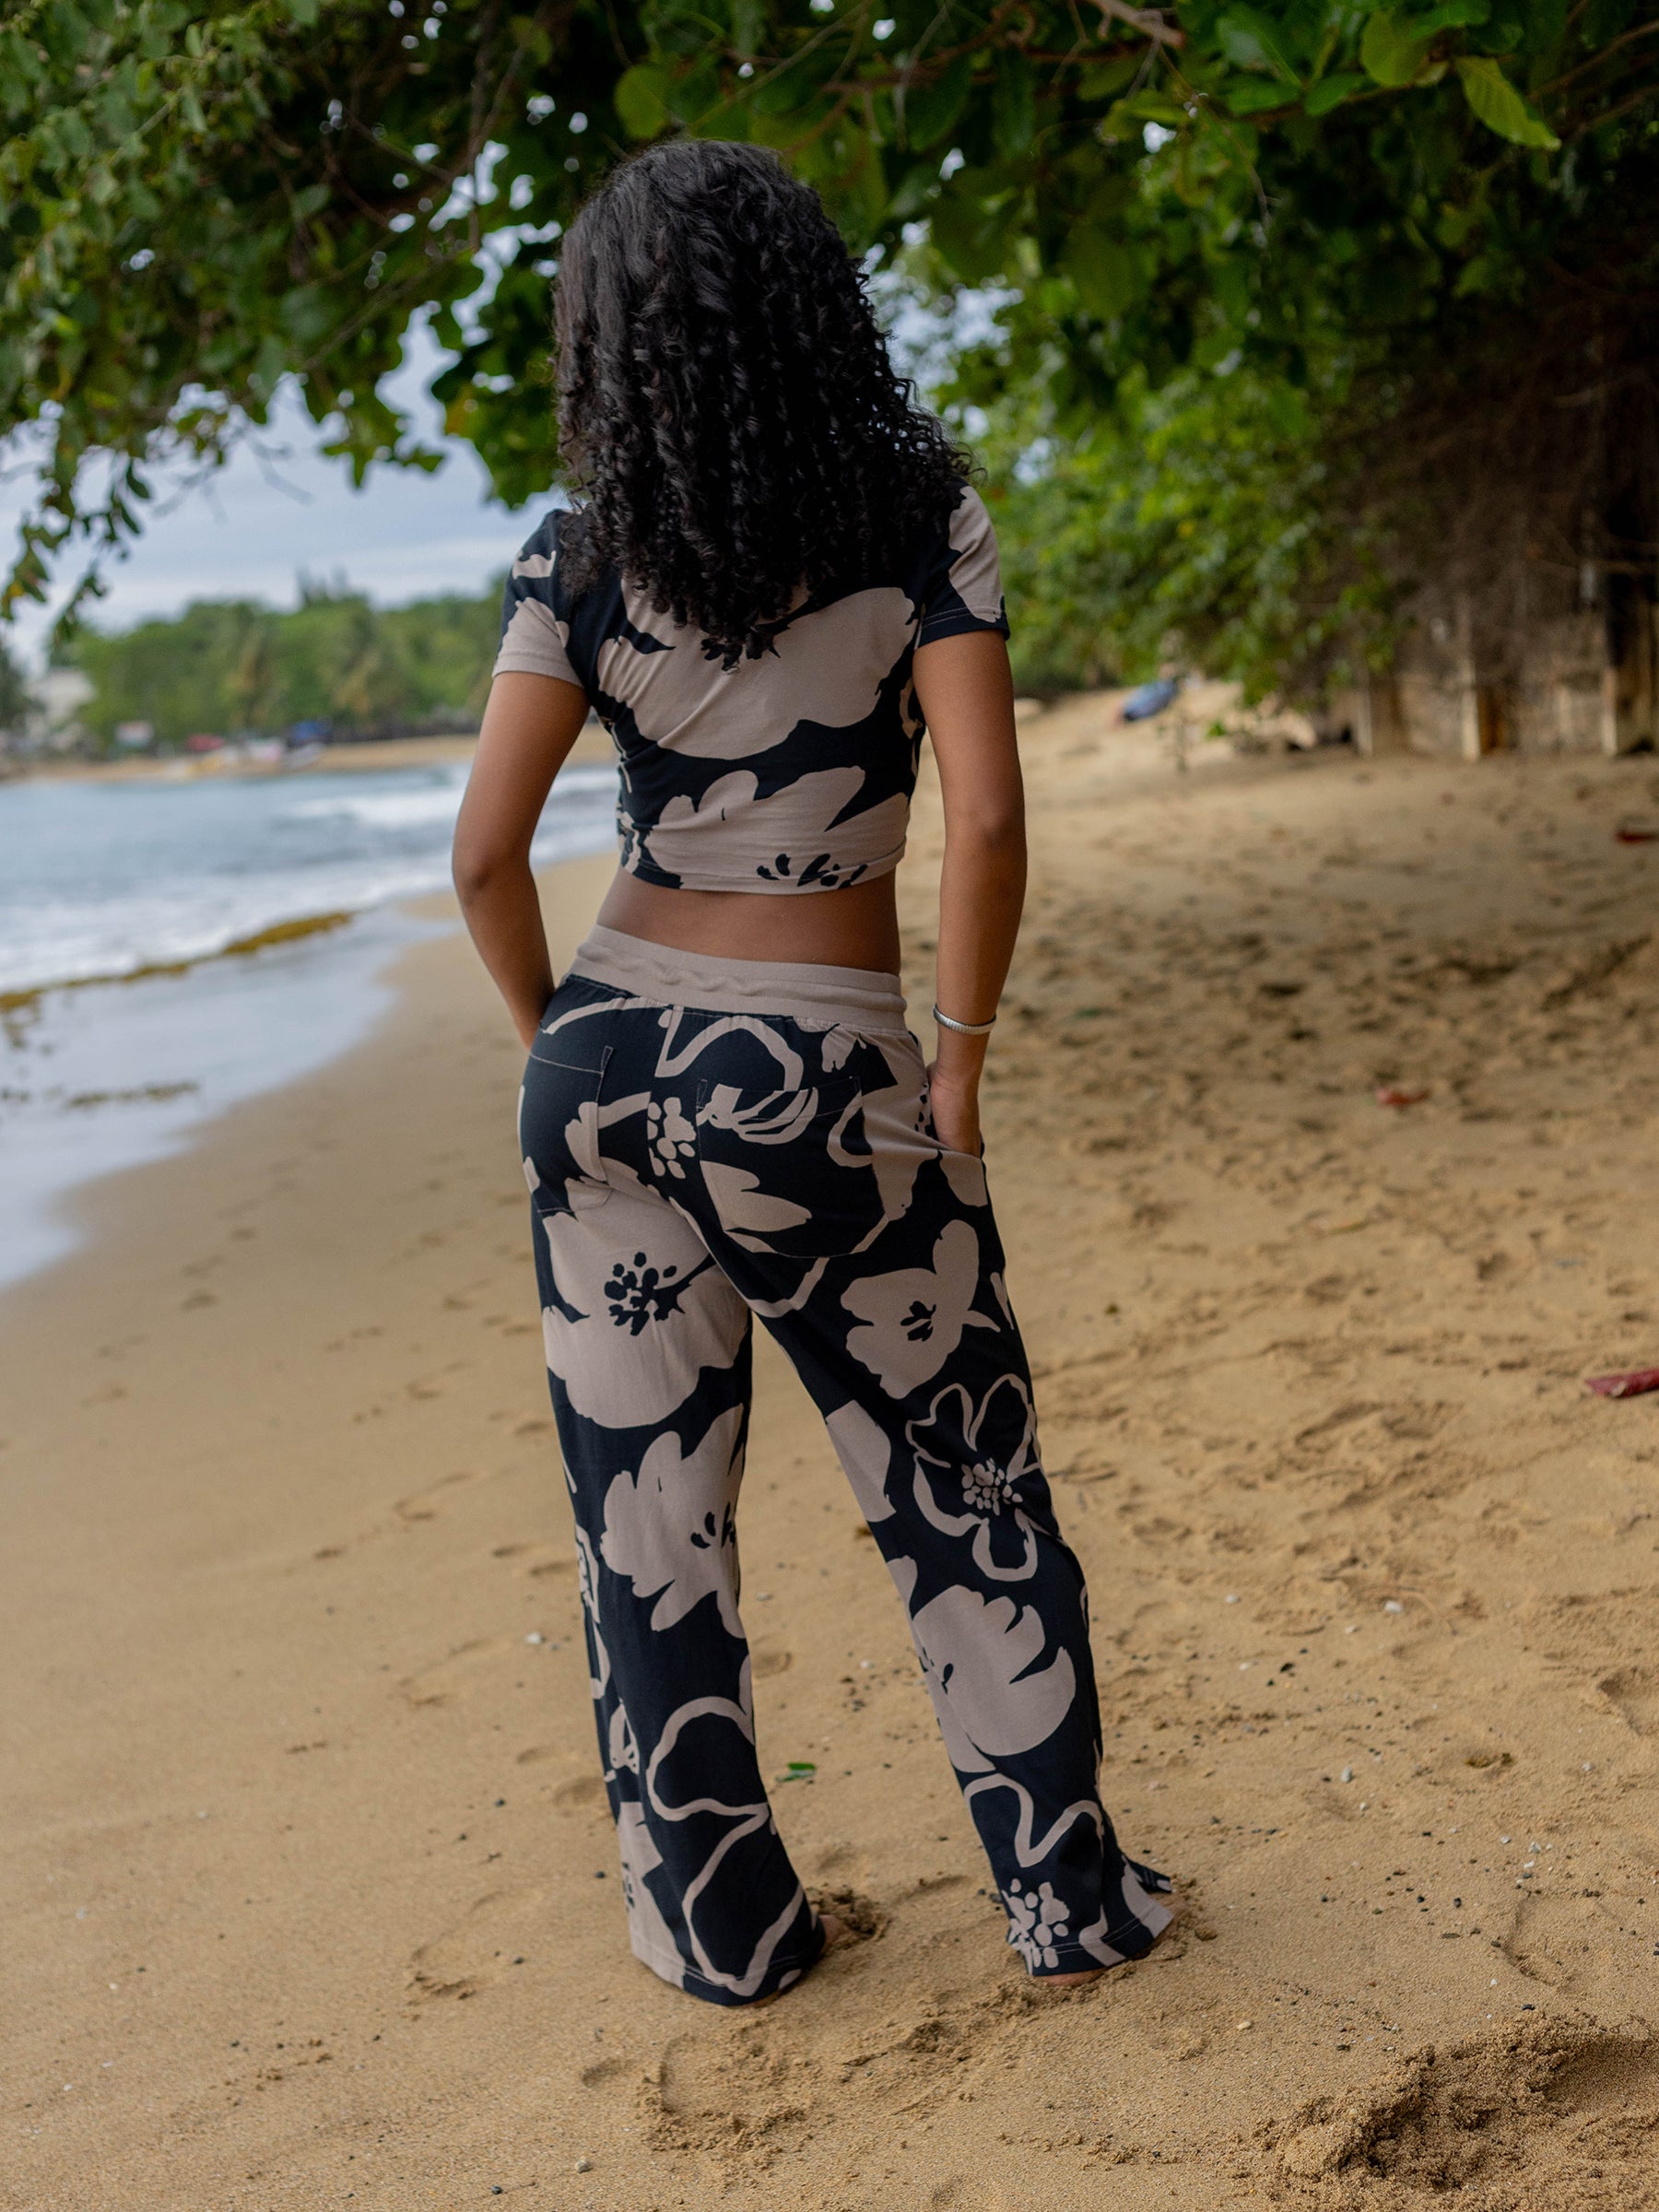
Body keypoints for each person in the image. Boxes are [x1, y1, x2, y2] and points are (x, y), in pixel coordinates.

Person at [452, 139, 1171, 2008]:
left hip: (601, 1057)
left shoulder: (576, 551)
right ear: (809, 303)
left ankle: (725, 1930)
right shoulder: (915, 509)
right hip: (817, 1061)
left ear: (611, 342)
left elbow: (478, 855)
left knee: (650, 1522)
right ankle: (1069, 1902)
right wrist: (959, 1061)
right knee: (956, 1485)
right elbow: (990, 823)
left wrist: (559, 1046)